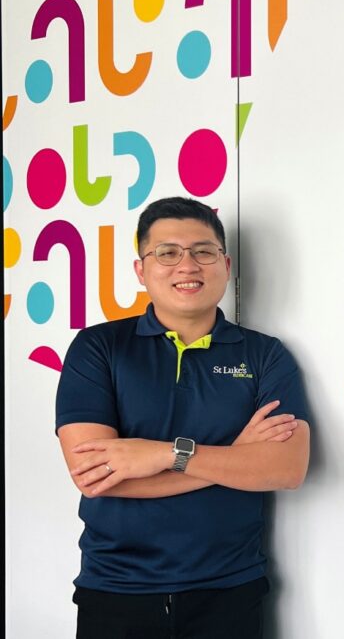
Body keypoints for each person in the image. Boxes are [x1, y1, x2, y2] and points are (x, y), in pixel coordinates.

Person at [55, 196, 311, 638]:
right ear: (141, 269)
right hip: (117, 591)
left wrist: (163, 454)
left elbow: (285, 468)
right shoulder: (98, 348)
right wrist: (233, 459)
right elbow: (92, 474)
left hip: (230, 592)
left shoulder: (264, 354)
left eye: (203, 252)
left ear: (225, 264)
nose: (187, 266)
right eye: (167, 253)